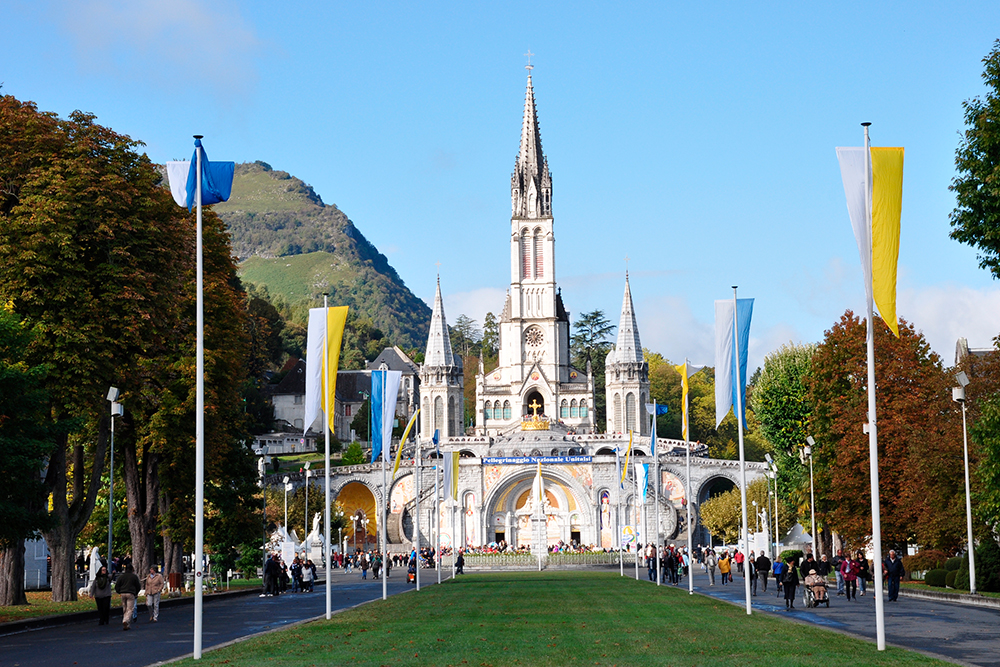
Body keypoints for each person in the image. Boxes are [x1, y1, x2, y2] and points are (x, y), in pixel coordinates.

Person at [114, 564, 141, 631]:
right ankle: (126, 620)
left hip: (123, 593)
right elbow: (138, 586)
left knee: (125, 608)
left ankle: (127, 624)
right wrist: (136, 592)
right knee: (130, 609)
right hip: (131, 593)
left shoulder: (121, 576)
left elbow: (117, 585)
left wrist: (119, 591)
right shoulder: (134, 577)